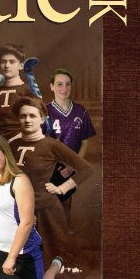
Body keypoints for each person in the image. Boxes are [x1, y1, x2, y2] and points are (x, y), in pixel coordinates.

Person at [8, 97, 93, 267]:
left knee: (49, 256)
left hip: (45, 210)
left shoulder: (51, 145)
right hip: (14, 208)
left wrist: (61, 188)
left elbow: (86, 169)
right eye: (23, 116)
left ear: (42, 119)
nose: (27, 120)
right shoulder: (12, 145)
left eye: (32, 116)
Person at [0, 135, 63, 279]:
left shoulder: (20, 181)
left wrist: (12, 258)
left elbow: (27, 222)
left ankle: (55, 266)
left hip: (21, 251)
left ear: (5, 153)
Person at [46, 69, 97, 230]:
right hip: (49, 165)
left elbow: (85, 142)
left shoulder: (80, 111)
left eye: (67, 84)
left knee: (66, 199)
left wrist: (74, 165)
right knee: (47, 201)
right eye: (59, 84)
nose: (64, 88)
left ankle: (66, 228)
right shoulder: (44, 111)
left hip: (70, 166)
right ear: (52, 87)